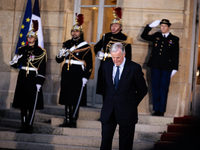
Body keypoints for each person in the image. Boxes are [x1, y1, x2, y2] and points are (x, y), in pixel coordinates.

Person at [100, 42, 147, 150]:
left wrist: (131, 103)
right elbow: (103, 87)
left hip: (127, 112)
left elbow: (143, 90)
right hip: (109, 111)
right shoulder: (106, 66)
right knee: (105, 143)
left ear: (124, 54)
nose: (115, 60)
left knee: (125, 144)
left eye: (118, 57)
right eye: (113, 57)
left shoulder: (134, 68)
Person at [56, 13, 93, 128]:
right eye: (73, 31)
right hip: (67, 71)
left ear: (80, 33)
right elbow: (59, 60)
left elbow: (90, 64)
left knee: (75, 97)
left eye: (76, 31)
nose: (74, 33)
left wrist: (86, 76)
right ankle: (67, 119)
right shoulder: (67, 43)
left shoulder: (85, 45)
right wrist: (60, 55)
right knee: (66, 96)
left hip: (78, 73)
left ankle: (73, 120)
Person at [9, 21, 47, 133]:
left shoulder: (40, 51)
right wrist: (14, 62)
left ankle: (29, 126)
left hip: (33, 78)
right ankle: (23, 125)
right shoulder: (22, 49)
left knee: (31, 103)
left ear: (35, 38)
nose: (29, 38)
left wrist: (40, 81)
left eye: (31, 37)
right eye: (28, 37)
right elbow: (16, 64)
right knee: (22, 103)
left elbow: (43, 67)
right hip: (22, 78)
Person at [141, 19, 179, 116]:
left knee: (164, 88)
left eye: (165, 26)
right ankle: (156, 109)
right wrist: (149, 26)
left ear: (169, 27)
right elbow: (143, 36)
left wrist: (175, 68)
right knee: (155, 87)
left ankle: (161, 110)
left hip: (167, 67)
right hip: (155, 66)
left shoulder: (174, 39)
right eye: (161, 26)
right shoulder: (156, 36)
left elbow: (176, 54)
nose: (163, 28)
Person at [94, 7, 132, 100]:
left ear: (120, 27)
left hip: (118, 67)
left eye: (115, 26)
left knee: (116, 92)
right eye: (112, 25)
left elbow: (128, 56)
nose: (113, 27)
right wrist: (99, 53)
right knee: (105, 91)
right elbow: (96, 47)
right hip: (106, 65)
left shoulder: (125, 38)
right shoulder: (106, 36)